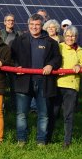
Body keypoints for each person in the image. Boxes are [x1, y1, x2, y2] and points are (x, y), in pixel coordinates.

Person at [11, 13, 61, 146]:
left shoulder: (50, 42)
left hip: (43, 82)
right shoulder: (19, 40)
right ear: (28, 25)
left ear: (42, 25)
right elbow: (11, 57)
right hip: (23, 81)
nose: (34, 27)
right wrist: (16, 66)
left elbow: (58, 58)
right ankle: (21, 139)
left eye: (37, 24)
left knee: (44, 114)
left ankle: (41, 141)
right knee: (21, 113)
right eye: (32, 24)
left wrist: (51, 65)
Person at [55, 26, 82, 148]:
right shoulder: (59, 46)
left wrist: (79, 66)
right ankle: (47, 138)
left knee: (68, 115)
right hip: (57, 84)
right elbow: (52, 61)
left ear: (76, 37)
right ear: (64, 36)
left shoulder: (80, 50)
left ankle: (67, 141)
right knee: (53, 112)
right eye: (68, 35)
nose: (70, 38)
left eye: (73, 36)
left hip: (72, 87)